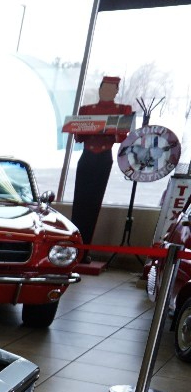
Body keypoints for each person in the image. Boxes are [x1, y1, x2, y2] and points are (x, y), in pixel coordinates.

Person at [71, 76, 132, 258]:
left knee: (93, 205)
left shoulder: (121, 110)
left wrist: (105, 129)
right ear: (99, 89)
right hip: (87, 157)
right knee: (79, 203)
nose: (106, 91)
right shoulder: (87, 110)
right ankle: (74, 249)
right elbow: (78, 137)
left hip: (104, 158)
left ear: (116, 91)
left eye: (111, 89)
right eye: (104, 88)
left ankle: (85, 250)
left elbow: (122, 137)